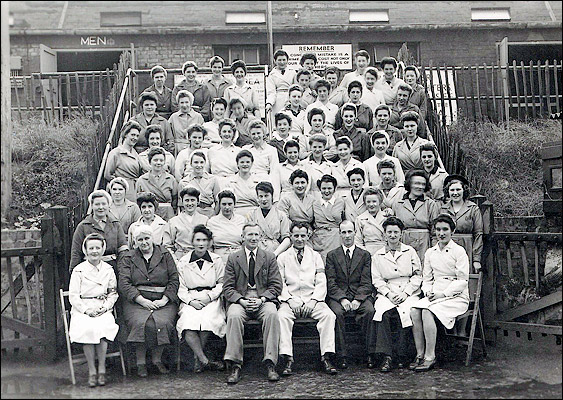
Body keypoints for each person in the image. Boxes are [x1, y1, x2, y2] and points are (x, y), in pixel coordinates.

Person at [222, 222, 283, 384]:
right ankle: (235, 364)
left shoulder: (269, 257)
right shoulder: (233, 258)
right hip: (241, 298)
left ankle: (270, 362)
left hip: (263, 298)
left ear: (261, 237)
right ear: (243, 237)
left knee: (272, 314)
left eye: (256, 234)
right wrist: (241, 301)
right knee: (233, 315)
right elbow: (227, 287)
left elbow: (276, 285)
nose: (253, 238)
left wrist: (262, 299)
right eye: (250, 234)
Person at [410, 214, 469, 372]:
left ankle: (430, 356)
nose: (441, 233)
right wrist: (429, 291)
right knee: (415, 310)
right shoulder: (430, 252)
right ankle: (420, 354)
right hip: (435, 294)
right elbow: (427, 279)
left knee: (428, 312)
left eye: (445, 229)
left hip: (456, 296)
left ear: (452, 231)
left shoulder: (459, 251)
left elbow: (462, 280)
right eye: (438, 230)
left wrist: (443, 294)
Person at [277, 221, 338, 376]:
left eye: (303, 236)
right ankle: (287, 358)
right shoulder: (282, 257)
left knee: (328, 316)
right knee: (281, 317)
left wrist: (314, 300)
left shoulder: (315, 256)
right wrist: (289, 299)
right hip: (290, 300)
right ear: (290, 236)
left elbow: (321, 280)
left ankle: (326, 356)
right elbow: (280, 283)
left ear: (308, 236)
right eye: (296, 235)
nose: (299, 239)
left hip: (312, 299)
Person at [118, 224, 179, 377]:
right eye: (140, 239)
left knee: (162, 322)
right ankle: (140, 362)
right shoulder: (128, 257)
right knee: (141, 323)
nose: (144, 242)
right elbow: (124, 283)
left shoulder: (165, 254)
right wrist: (141, 300)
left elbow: (174, 279)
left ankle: (157, 360)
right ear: (135, 242)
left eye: (147, 238)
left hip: (162, 300)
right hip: (136, 301)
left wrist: (165, 299)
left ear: (153, 238)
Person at [68, 233, 120, 387]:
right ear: (85, 250)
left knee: (103, 328)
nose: (95, 251)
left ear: (103, 250)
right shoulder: (78, 270)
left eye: (98, 248)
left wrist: (105, 307)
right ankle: (92, 370)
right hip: (83, 308)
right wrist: (86, 310)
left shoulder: (109, 269)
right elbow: (73, 296)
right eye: (91, 248)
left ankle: (102, 368)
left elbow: (113, 293)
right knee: (88, 329)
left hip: (102, 307)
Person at [372, 216, 422, 372]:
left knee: (405, 313)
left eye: (396, 232)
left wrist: (406, 292)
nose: (392, 235)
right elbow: (377, 279)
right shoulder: (378, 255)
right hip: (388, 292)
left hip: (408, 291)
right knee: (383, 313)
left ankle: (402, 355)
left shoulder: (410, 251)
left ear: (401, 234)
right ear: (384, 234)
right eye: (389, 232)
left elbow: (417, 275)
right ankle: (387, 356)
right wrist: (388, 293)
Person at [325, 220, 376, 370]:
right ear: (339, 234)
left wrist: (358, 299)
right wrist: (342, 298)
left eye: (350, 232)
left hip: (360, 295)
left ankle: (369, 353)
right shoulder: (332, 256)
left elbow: (367, 281)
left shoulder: (365, 255)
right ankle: (342, 355)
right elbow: (331, 282)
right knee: (336, 314)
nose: (347, 236)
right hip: (338, 297)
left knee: (369, 311)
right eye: (344, 232)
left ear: (355, 233)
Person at [176, 224, 226, 373]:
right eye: (198, 240)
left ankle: (198, 359)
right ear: (192, 241)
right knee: (188, 322)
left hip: (211, 298)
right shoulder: (183, 262)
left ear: (209, 242)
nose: (201, 243)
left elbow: (222, 283)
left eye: (204, 240)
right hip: (190, 298)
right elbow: (180, 286)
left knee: (207, 320)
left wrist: (208, 297)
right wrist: (191, 301)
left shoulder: (217, 260)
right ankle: (204, 359)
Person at [69, 190, 128, 272]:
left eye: (104, 204)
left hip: (113, 268)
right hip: (89, 269)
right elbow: (76, 253)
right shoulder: (83, 226)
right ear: (92, 206)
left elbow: (123, 250)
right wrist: (74, 272)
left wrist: (122, 271)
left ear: (109, 205)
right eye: (97, 204)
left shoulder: (116, 225)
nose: (101, 207)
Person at [392, 170, 440, 264]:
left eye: (423, 184)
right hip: (404, 242)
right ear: (409, 184)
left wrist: (435, 250)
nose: (420, 187)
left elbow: (435, 231)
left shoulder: (430, 204)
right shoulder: (398, 204)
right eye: (417, 183)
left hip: (424, 244)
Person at [440, 174, 483, 272]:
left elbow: (478, 234)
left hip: (467, 247)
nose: (455, 193)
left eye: (458, 190)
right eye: (452, 190)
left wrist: (476, 259)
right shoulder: (443, 209)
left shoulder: (473, 208)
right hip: (447, 248)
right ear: (448, 192)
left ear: (464, 190)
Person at [163, 187, 209, 263]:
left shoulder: (205, 220)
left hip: (200, 258)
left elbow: (209, 244)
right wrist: (175, 260)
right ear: (182, 201)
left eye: (193, 200)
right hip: (180, 259)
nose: (190, 204)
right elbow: (167, 245)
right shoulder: (173, 221)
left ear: (197, 202)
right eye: (187, 200)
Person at [246, 181, 291, 256]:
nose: (263, 199)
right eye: (261, 196)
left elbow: (286, 239)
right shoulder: (251, 215)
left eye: (266, 196)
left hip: (275, 251)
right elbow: (247, 237)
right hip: (256, 251)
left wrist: (275, 254)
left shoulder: (281, 215)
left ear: (272, 196)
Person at [104, 120, 144, 202]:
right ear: (125, 134)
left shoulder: (135, 153)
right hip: (122, 190)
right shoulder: (116, 153)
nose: (135, 138)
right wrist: (120, 184)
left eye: (137, 136)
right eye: (132, 135)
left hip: (135, 189)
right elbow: (107, 175)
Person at [135, 147, 178, 221]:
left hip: (167, 214)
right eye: (155, 160)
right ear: (149, 162)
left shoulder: (171, 179)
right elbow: (138, 201)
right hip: (149, 214)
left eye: (161, 160)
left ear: (164, 162)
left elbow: (175, 200)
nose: (158, 163)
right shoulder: (142, 180)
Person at [311, 174, 345, 261]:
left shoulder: (340, 202)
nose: (326, 191)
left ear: (335, 189)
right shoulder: (315, 204)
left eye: (329, 188)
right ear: (320, 189)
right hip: (320, 239)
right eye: (324, 188)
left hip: (336, 238)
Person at [207, 190, 246, 264]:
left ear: (234, 204)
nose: (227, 207)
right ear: (219, 205)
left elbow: (245, 242)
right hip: (219, 258)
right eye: (224, 204)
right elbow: (209, 245)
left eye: (230, 204)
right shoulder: (212, 222)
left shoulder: (241, 220)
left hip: (238, 256)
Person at [178, 151, 220, 217]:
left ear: (205, 163)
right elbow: (181, 205)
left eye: (201, 162)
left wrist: (214, 214)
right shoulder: (184, 182)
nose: (199, 165)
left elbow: (218, 201)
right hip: (191, 213)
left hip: (209, 213)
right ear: (191, 164)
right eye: (196, 162)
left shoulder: (213, 179)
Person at [222, 150, 261, 216]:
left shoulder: (258, 182)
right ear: (237, 164)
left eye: (248, 162)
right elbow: (228, 201)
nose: (245, 164)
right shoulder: (230, 182)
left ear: (252, 163)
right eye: (242, 162)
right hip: (235, 213)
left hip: (255, 212)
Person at [355, 187, 390, 255]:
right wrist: (366, 254)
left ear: (380, 202)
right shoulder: (360, 219)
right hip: (367, 252)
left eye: (374, 201)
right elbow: (358, 241)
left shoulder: (386, 217)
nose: (371, 204)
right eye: (368, 202)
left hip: (385, 251)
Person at [265, 49, 297, 116]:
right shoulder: (272, 75)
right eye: (279, 60)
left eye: (284, 60)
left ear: (287, 61)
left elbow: (296, 88)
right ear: (275, 61)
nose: (282, 62)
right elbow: (271, 92)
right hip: (277, 101)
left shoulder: (293, 72)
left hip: (291, 99)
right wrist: (269, 103)